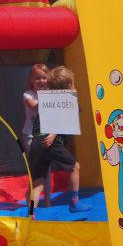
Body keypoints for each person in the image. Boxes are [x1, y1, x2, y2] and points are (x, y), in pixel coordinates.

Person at [28, 64, 91, 214]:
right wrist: (54, 133)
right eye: (73, 84)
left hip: (36, 142)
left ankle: (30, 214)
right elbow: (59, 119)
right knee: (74, 167)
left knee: (38, 184)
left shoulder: (48, 99)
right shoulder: (64, 100)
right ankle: (74, 202)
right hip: (49, 141)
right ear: (69, 85)